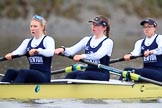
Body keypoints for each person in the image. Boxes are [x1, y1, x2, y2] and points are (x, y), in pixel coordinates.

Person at [54, 16, 113, 81]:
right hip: (88, 72)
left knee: (81, 75)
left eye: (97, 25)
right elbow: (71, 50)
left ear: (104, 28)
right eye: (93, 24)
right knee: (71, 74)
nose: (93, 26)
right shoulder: (86, 39)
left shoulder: (108, 42)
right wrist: (62, 49)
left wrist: (82, 56)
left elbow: (97, 55)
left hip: (102, 74)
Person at [1, 15, 55, 83]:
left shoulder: (48, 40)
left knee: (23, 72)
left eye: (35, 26)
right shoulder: (27, 41)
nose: (32, 28)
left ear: (42, 27)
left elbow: (50, 52)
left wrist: (38, 51)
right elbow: (18, 52)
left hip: (44, 76)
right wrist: (11, 54)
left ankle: (15, 91)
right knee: (10, 71)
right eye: (31, 26)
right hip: (31, 75)